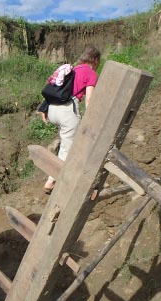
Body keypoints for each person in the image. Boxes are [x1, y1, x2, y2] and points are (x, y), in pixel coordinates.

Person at [42, 47, 101, 194]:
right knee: (68, 149)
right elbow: (89, 99)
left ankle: (64, 175)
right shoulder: (91, 73)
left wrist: (44, 109)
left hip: (53, 110)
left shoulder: (71, 69)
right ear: (95, 60)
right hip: (67, 111)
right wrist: (93, 119)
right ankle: (51, 181)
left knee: (67, 144)